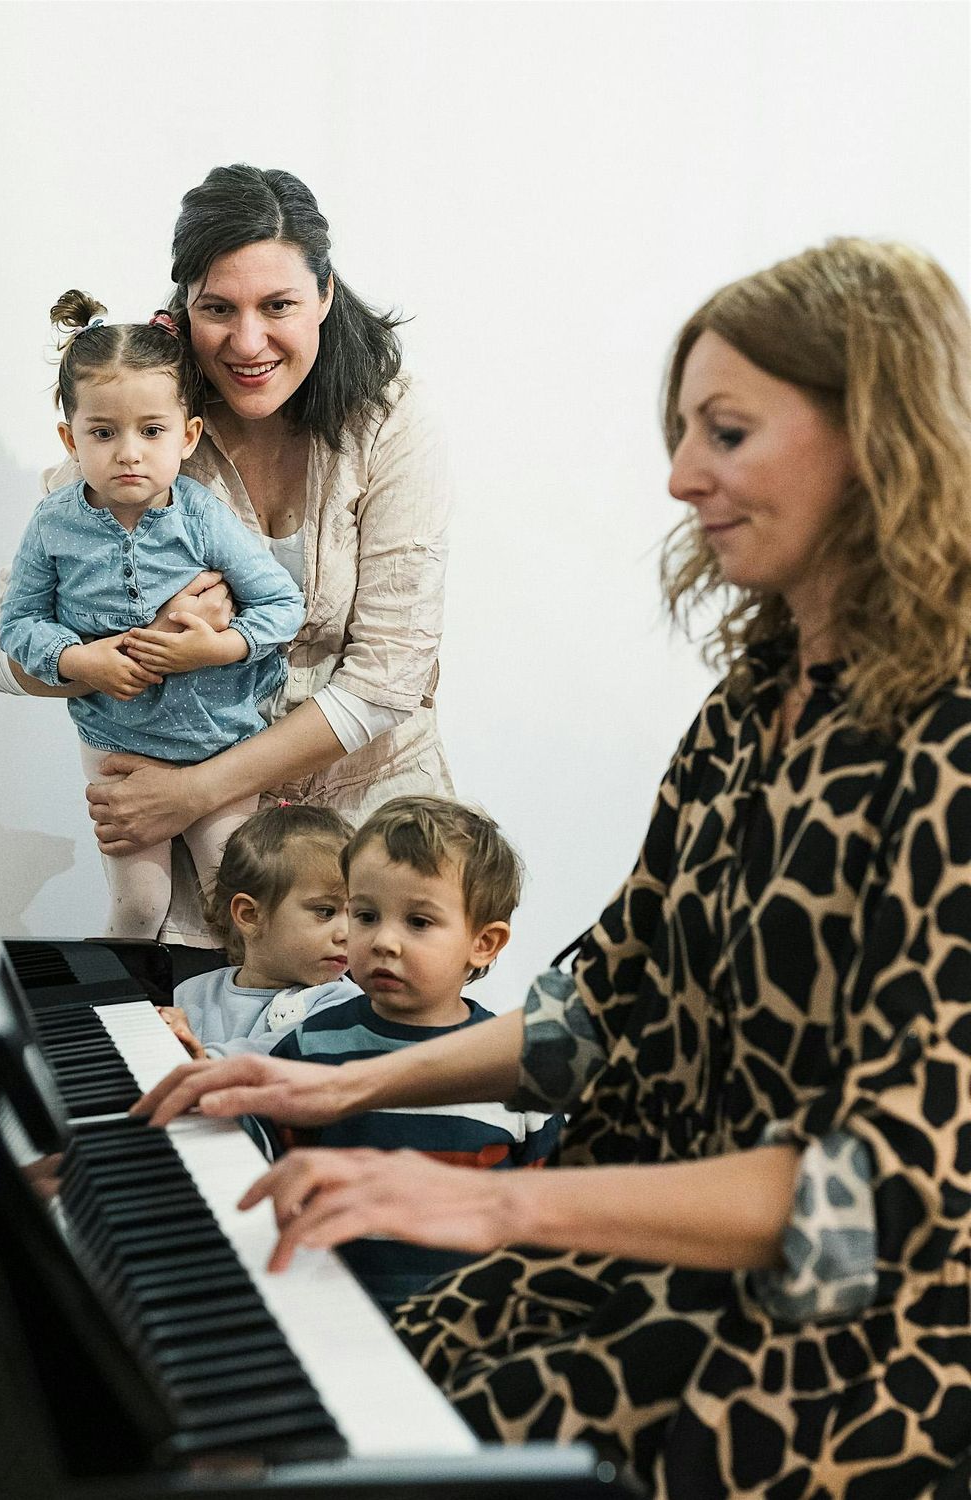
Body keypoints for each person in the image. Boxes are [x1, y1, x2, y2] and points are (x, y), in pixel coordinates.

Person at [133, 239, 971, 1498]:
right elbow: (605, 1007)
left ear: (880, 438)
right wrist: (338, 1092)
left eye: (728, 434)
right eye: (683, 430)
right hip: (649, 1246)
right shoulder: (752, 706)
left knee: (440, 1421)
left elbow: (885, 1195)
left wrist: (492, 1209)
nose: (683, 476)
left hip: (849, 1342)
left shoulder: (946, 744)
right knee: (366, 1385)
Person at [0, 165, 453, 947]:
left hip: (374, 840)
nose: (248, 340)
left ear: (326, 295)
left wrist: (193, 791)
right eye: (218, 309)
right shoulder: (141, 424)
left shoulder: (390, 419)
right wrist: (115, 652)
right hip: (201, 870)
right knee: (207, 1050)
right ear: (182, 309)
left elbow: (390, 675)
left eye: (280, 306)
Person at [0, 291, 304, 938]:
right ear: (69, 438)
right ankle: (119, 1014)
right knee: (138, 908)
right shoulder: (53, 525)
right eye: (103, 433)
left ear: (188, 435)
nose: (129, 452)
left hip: (219, 746)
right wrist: (77, 659)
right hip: (120, 750)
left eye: (152, 431)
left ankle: (229, 1028)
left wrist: (215, 649)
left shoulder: (200, 517)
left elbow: (282, 605)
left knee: (238, 903)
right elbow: (17, 626)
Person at [267, 796, 560, 1313]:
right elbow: (254, 1163)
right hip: (331, 1311)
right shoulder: (309, 1047)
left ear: (484, 944)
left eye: (419, 922)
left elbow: (546, 1217)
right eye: (365, 914)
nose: (383, 941)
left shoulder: (518, 1070)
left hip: (470, 1327)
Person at [158, 802, 359, 1058]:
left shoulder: (344, 1003)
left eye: (359, 915)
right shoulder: (191, 995)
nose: (347, 934)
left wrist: (206, 1060)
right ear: (250, 915)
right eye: (325, 911)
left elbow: (281, 1054)